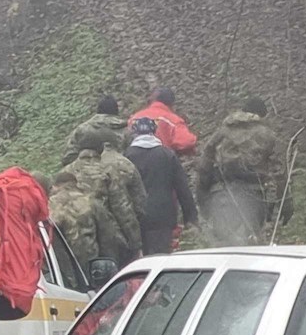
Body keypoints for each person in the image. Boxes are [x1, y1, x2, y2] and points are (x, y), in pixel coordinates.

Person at [197, 96, 288, 245]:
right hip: (254, 195)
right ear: (262, 115)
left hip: (222, 195)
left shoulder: (223, 131)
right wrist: (285, 201)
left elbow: (205, 164)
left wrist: (202, 196)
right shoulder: (266, 134)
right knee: (251, 244)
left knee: (225, 245)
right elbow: (279, 171)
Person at [67, 101, 145, 262]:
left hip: (76, 234)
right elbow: (124, 208)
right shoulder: (126, 132)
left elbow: (67, 156)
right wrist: (136, 242)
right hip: (111, 233)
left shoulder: (82, 130)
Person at [126, 116, 198, 256]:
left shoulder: (127, 156)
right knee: (159, 258)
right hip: (163, 216)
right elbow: (182, 188)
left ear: (134, 133)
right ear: (155, 132)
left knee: (137, 262)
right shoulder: (167, 155)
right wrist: (191, 218)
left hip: (135, 217)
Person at [44, 167, 103, 276]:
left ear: (56, 186)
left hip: (63, 269)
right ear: (75, 184)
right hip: (92, 262)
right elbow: (107, 234)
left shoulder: (49, 205)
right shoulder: (91, 201)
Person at [131, 86, 199, 157]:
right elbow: (186, 142)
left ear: (151, 101)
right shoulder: (173, 120)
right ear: (171, 104)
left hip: (132, 160)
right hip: (161, 161)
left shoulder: (134, 117)